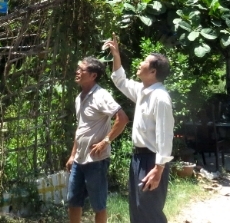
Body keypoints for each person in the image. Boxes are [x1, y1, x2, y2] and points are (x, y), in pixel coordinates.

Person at [103, 36, 174, 223]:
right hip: (138, 159)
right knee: (137, 209)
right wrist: (116, 55)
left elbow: (165, 135)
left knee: (149, 209)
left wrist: (159, 169)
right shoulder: (143, 91)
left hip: (152, 160)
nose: (139, 63)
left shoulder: (160, 98)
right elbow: (120, 81)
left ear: (152, 71)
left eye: (144, 61)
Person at [66, 56, 129, 223]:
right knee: (73, 201)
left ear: (93, 75)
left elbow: (122, 119)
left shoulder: (101, 95)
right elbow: (81, 129)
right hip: (79, 160)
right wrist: (73, 155)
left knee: (98, 205)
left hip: (96, 161)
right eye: (77, 68)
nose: (77, 71)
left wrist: (105, 141)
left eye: (82, 69)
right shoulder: (79, 98)